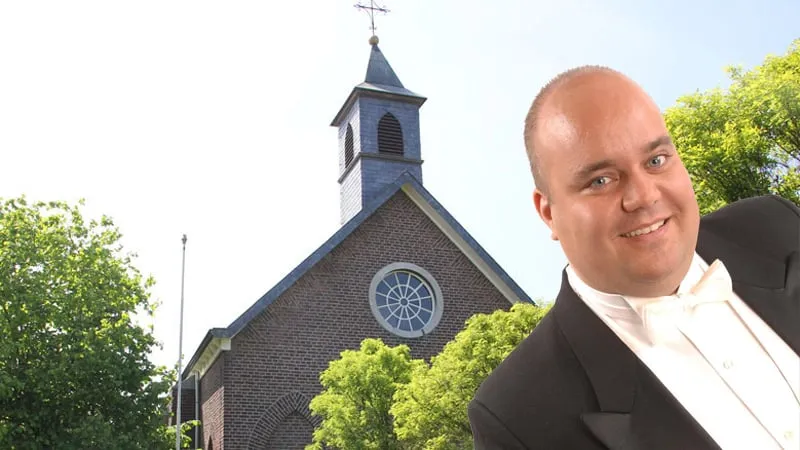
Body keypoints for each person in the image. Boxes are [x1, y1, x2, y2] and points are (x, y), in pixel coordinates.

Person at [468, 66, 800, 450]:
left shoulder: (777, 226)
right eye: (601, 180)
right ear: (548, 212)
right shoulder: (517, 418)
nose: (643, 196)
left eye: (656, 160)